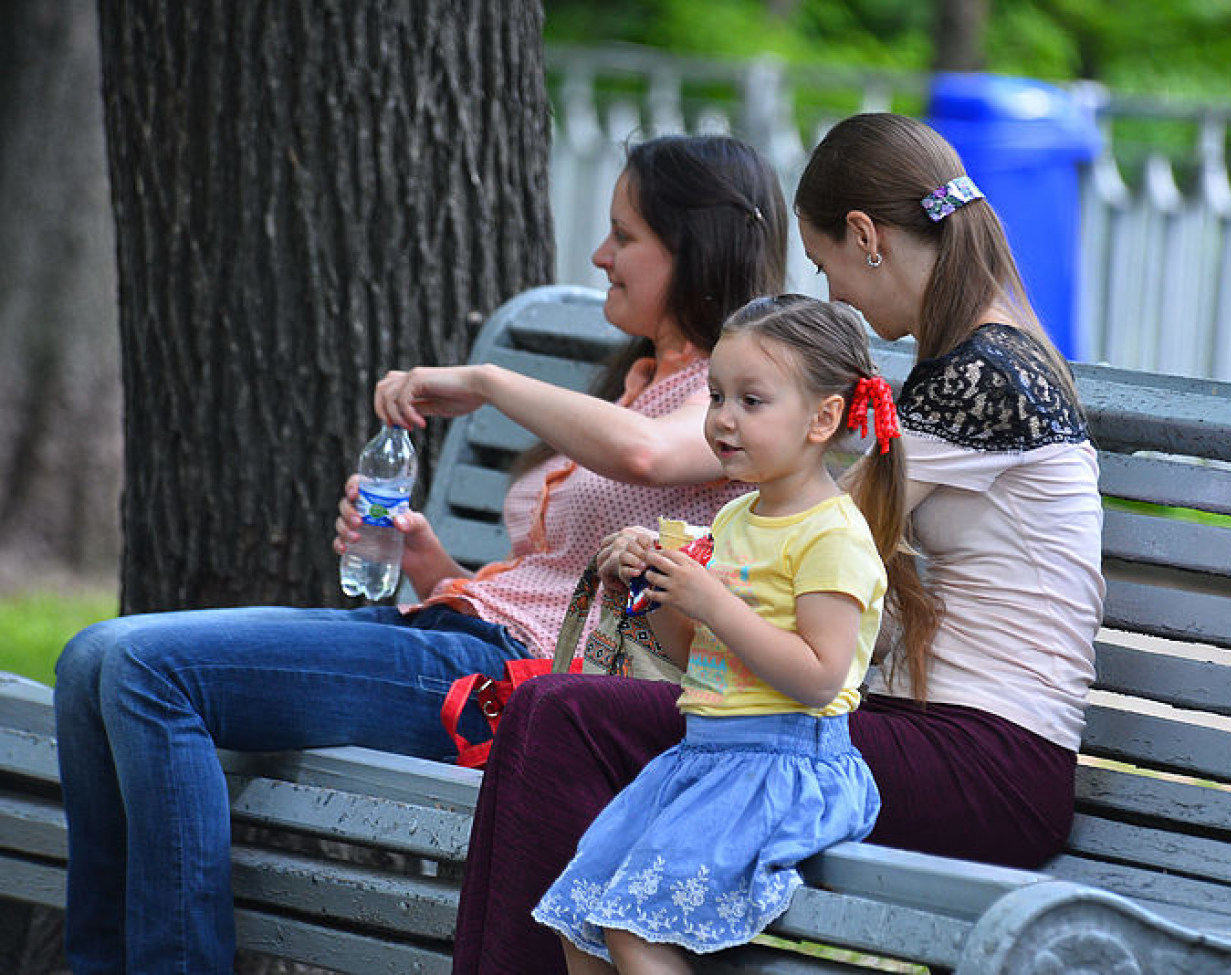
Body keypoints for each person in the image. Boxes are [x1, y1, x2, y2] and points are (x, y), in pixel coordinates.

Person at [52, 133, 788, 975]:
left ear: (695, 246)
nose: (600, 253)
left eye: (625, 235)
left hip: (507, 685)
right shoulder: (645, 379)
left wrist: (484, 382)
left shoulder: (737, 399)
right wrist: (432, 565)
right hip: (453, 635)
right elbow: (554, 573)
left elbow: (647, 459)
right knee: (88, 660)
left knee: (149, 672)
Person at [452, 112, 1105, 975]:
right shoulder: (983, 360)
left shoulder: (984, 377)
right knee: (563, 719)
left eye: (829, 266)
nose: (835, 297)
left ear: (866, 237)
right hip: (927, 737)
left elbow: (806, 529)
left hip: (982, 765)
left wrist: (681, 558)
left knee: (563, 716)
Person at [533, 294, 918, 973]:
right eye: (716, 396)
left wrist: (712, 601)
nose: (723, 418)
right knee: (580, 912)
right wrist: (649, 594)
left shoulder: (832, 534)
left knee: (633, 928)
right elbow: (695, 659)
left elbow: (821, 675)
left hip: (785, 767)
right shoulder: (738, 519)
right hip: (704, 758)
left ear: (823, 418)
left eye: (752, 400)